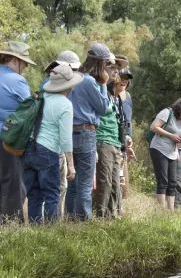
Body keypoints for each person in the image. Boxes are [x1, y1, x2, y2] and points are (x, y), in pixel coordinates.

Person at [0, 41, 35, 224]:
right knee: (13, 180)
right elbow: (30, 108)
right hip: (6, 136)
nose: (25, 67)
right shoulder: (17, 81)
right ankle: (13, 221)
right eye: (24, 62)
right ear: (14, 60)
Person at [23, 64, 81, 223]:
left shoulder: (40, 97)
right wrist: (71, 164)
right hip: (48, 152)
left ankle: (35, 231)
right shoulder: (65, 104)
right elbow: (65, 138)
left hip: (28, 149)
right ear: (69, 86)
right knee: (51, 195)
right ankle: (50, 233)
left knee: (34, 195)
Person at [65, 43, 113, 220]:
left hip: (69, 132)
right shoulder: (90, 81)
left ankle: (69, 218)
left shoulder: (74, 78)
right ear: (100, 63)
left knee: (73, 182)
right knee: (85, 183)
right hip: (86, 132)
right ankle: (83, 223)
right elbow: (103, 107)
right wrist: (104, 85)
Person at [40, 50, 81, 219]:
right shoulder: (64, 98)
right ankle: (54, 224)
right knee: (58, 187)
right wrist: (70, 163)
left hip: (36, 145)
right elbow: (64, 135)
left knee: (39, 189)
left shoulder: (46, 83)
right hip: (54, 146)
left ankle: (40, 223)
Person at [93, 58, 132, 218]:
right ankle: (100, 218)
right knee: (105, 182)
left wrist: (126, 141)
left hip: (116, 144)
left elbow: (119, 122)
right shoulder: (101, 92)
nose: (123, 83)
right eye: (121, 81)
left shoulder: (118, 100)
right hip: (103, 142)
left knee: (116, 184)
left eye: (125, 82)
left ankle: (113, 217)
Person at [149, 98, 181, 211]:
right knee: (163, 181)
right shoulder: (167, 112)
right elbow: (153, 127)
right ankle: (162, 211)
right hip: (159, 149)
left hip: (173, 152)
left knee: (173, 183)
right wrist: (171, 136)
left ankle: (171, 212)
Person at [116, 64, 134, 199]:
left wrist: (128, 137)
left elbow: (128, 120)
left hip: (123, 140)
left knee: (122, 176)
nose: (124, 81)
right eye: (122, 78)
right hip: (112, 139)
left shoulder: (126, 96)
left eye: (127, 80)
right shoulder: (111, 93)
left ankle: (120, 205)